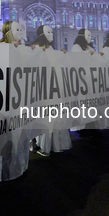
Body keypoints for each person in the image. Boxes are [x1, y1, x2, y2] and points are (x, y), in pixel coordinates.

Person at [0, 21, 30, 181]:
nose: (21, 31)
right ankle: (7, 173)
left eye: (21, 29)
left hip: (22, 99)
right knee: (8, 139)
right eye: (17, 29)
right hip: (6, 100)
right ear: (8, 31)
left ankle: (21, 166)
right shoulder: (0, 48)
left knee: (22, 135)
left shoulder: (22, 49)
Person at [31, 25, 72, 157]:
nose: (52, 34)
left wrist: (63, 56)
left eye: (52, 31)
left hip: (54, 87)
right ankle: (41, 144)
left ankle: (54, 143)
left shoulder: (51, 48)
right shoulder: (36, 48)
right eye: (48, 32)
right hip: (43, 88)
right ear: (42, 34)